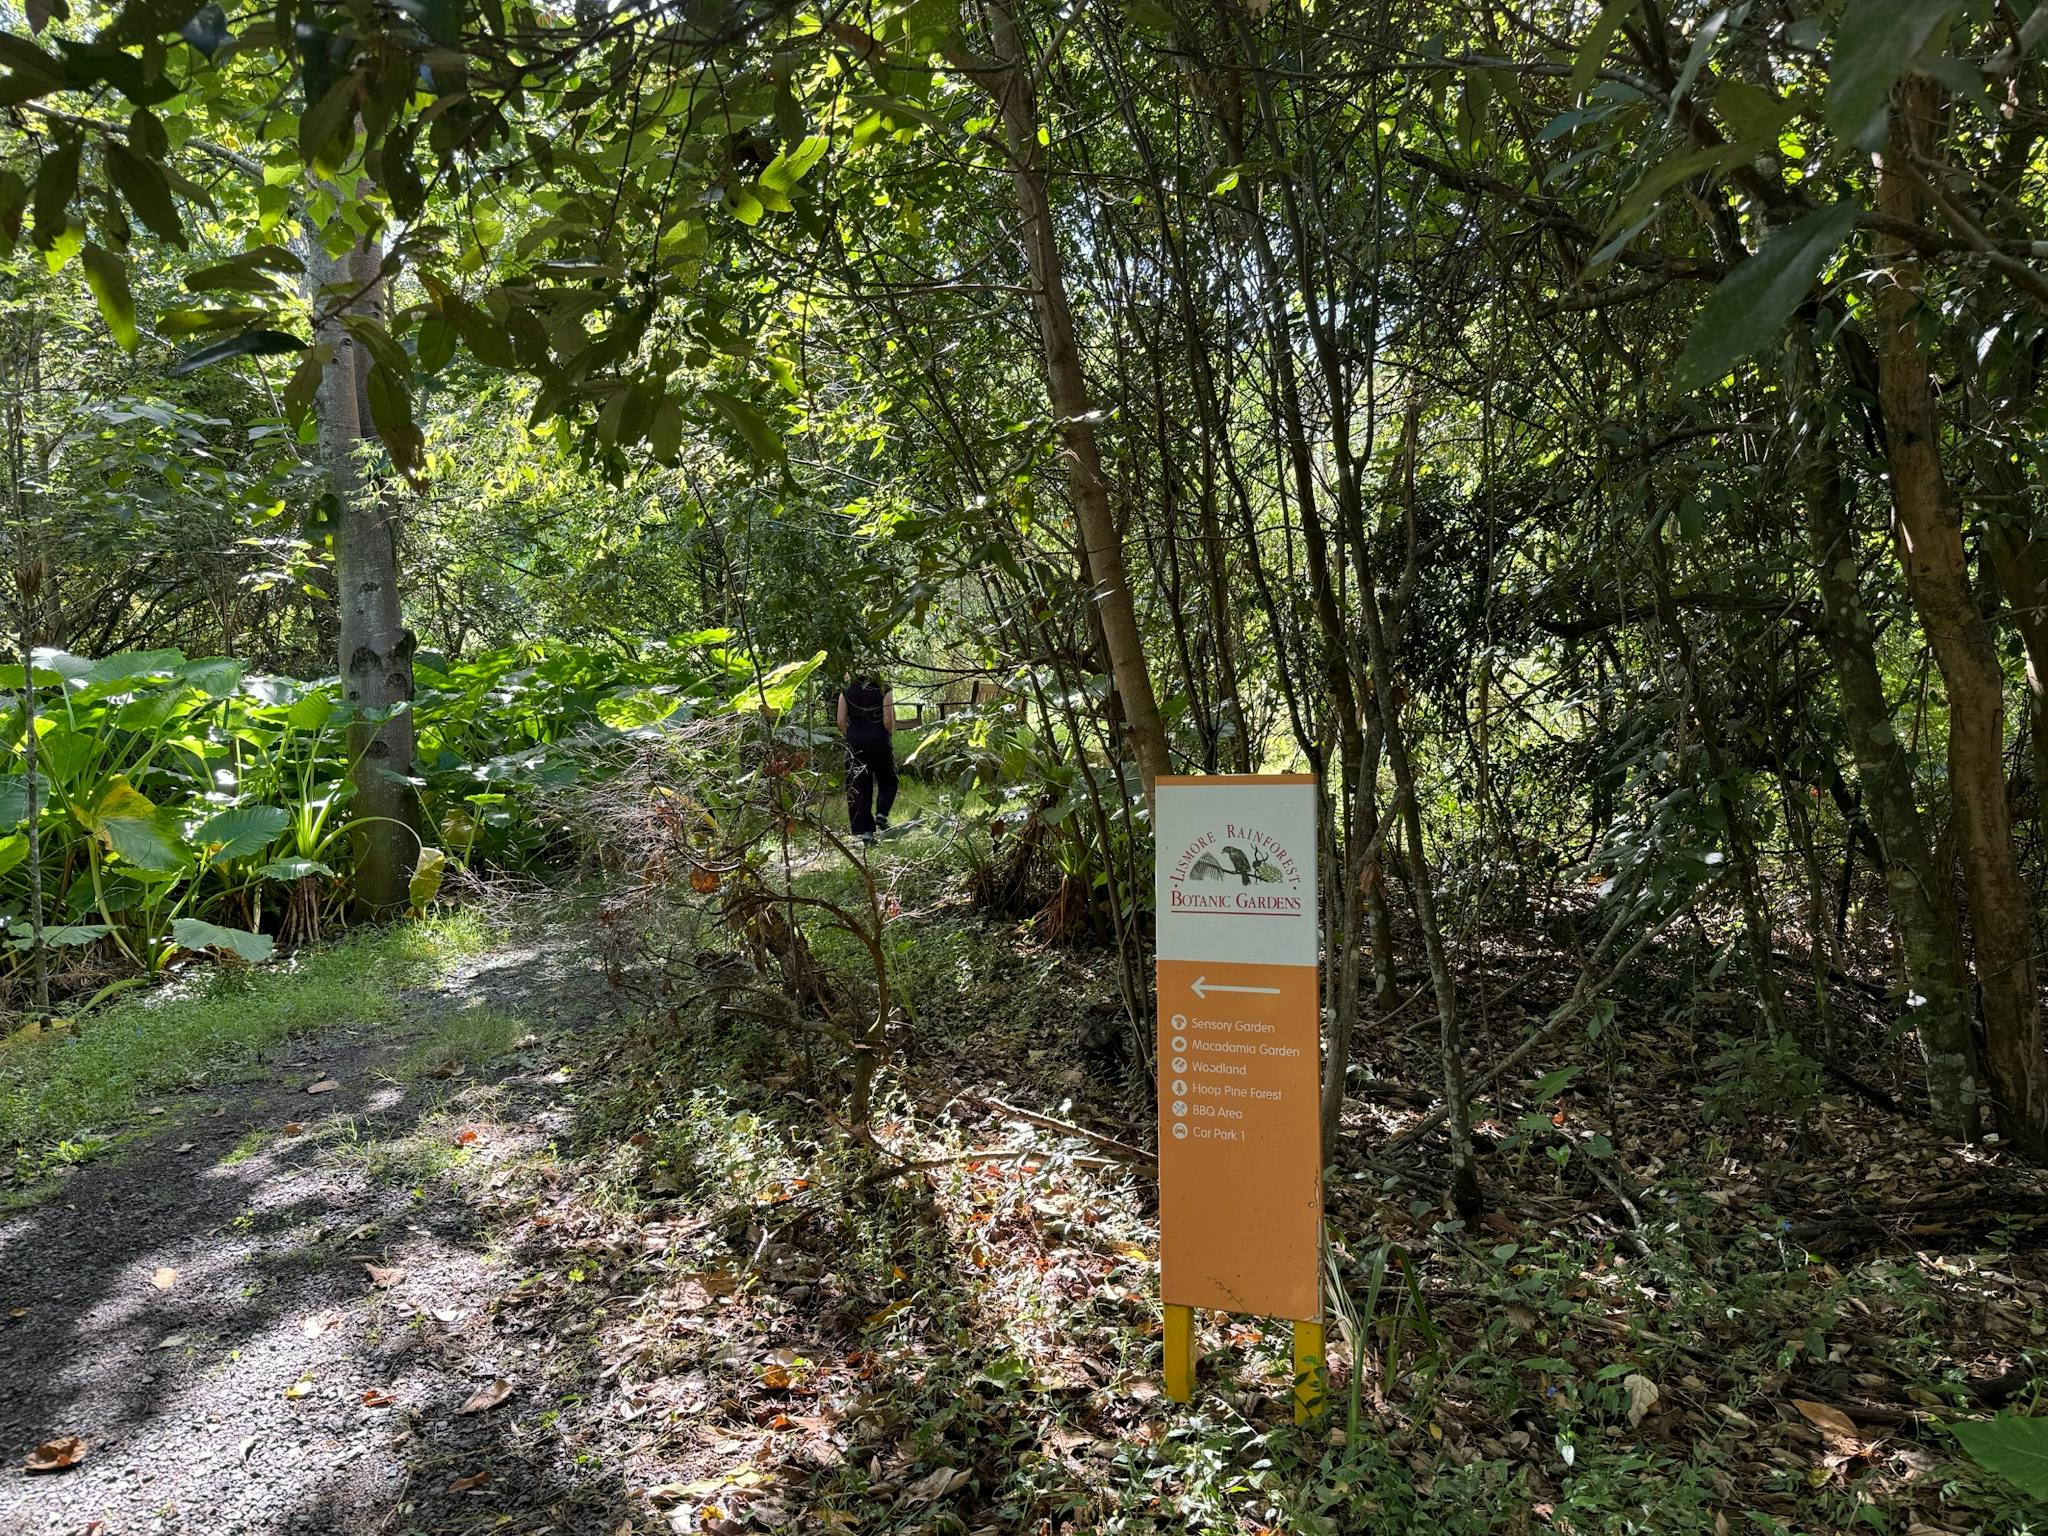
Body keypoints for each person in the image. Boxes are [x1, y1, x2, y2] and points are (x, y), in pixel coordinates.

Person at [837, 670, 898, 846]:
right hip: (878, 738)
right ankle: (882, 814)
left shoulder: (846, 689)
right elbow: (888, 719)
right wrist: (888, 733)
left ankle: (866, 833)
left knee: (859, 786)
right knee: (888, 778)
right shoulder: (884, 688)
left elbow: (841, 720)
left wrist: (853, 735)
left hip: (855, 741)